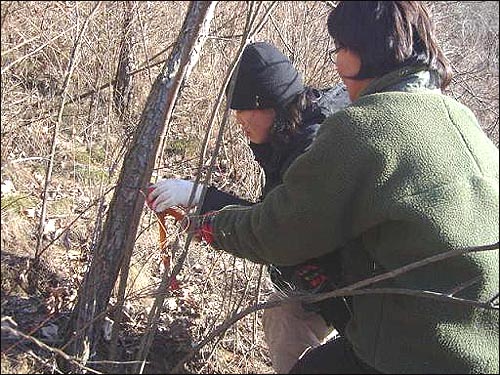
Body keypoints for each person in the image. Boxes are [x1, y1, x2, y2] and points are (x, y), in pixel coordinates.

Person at [151, 1, 500, 371]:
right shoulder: (458, 116)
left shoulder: (364, 126)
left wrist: (204, 221)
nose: (336, 63)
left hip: (423, 347)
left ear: (361, 52)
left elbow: (276, 233)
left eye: (339, 48)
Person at [148, 41, 351, 373]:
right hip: (321, 281)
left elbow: (277, 232)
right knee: (284, 311)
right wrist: (206, 217)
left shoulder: (312, 150)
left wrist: (202, 198)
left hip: (372, 299)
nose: (239, 119)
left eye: (245, 109)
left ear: (272, 105)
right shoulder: (293, 132)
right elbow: (276, 214)